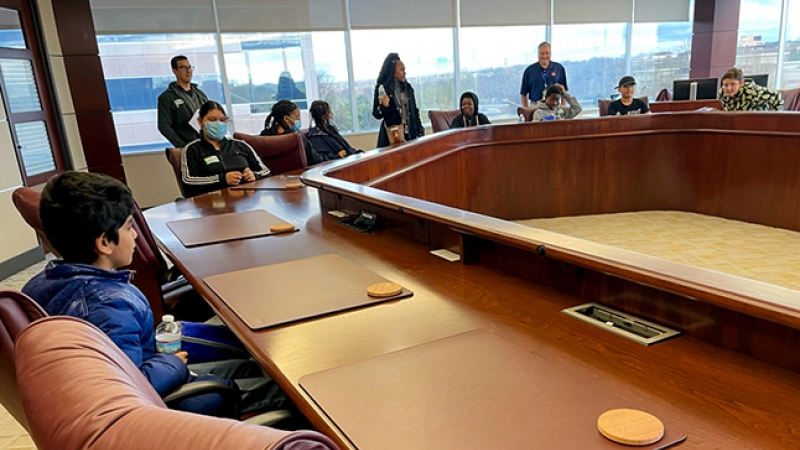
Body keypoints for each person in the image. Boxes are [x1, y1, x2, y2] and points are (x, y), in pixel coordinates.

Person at [22, 171, 289, 418]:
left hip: (135, 372)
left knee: (249, 365)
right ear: (104, 243)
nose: (136, 234)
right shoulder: (110, 305)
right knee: (279, 391)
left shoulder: (39, 285)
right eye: (128, 227)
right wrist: (171, 364)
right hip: (166, 406)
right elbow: (129, 387)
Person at [182, 101, 270, 198]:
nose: (218, 124)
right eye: (212, 120)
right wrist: (222, 179)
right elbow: (188, 181)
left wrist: (254, 175)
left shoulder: (241, 145)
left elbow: (266, 172)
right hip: (211, 203)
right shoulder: (192, 149)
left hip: (246, 200)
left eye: (222, 120)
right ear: (200, 122)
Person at [372, 53, 424, 147]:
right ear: (393, 72)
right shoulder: (383, 89)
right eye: (401, 70)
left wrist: (420, 131)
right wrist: (384, 106)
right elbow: (376, 114)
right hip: (391, 138)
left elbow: (414, 111)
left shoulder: (408, 88)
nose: (404, 72)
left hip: (410, 137)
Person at [157, 55, 208, 148]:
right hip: (187, 145)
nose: (188, 71)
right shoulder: (167, 97)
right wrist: (182, 146)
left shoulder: (200, 94)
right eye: (183, 67)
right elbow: (164, 126)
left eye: (189, 67)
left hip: (206, 143)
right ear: (174, 71)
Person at [261, 99, 325, 164]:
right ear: (286, 119)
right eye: (297, 116)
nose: (299, 119)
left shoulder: (263, 138)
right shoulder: (296, 137)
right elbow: (316, 160)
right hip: (299, 173)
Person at [520, 42, 568, 108]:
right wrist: (526, 110)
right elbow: (523, 93)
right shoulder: (529, 71)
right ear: (538, 54)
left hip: (554, 106)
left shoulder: (559, 68)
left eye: (547, 53)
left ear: (550, 53)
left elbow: (564, 91)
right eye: (542, 53)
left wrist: (563, 108)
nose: (544, 56)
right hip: (536, 106)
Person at [718, 67, 784, 111]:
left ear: (741, 83)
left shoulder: (754, 91)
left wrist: (773, 118)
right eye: (726, 85)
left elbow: (777, 96)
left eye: (733, 84)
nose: (728, 88)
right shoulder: (722, 93)